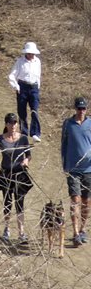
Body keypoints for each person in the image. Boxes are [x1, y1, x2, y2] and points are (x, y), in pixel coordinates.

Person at [0, 113, 32, 245]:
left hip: (20, 174)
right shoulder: (0, 139)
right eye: (10, 123)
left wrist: (26, 160)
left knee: (20, 203)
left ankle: (21, 233)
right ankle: (6, 229)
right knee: (7, 203)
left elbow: (29, 155)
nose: (13, 125)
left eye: (15, 122)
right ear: (6, 124)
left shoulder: (23, 139)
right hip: (7, 175)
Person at [61, 96, 91, 247]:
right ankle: (75, 232)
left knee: (87, 202)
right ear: (75, 109)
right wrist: (64, 164)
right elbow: (64, 145)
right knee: (76, 200)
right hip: (73, 168)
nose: (81, 111)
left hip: (89, 170)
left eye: (83, 108)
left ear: (87, 109)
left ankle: (83, 229)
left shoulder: (90, 124)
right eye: (79, 108)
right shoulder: (68, 124)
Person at [8, 42, 42, 142]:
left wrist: (37, 87)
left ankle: (35, 133)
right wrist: (16, 86)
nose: (31, 55)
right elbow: (12, 75)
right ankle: (24, 133)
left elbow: (38, 75)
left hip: (34, 88)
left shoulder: (37, 61)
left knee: (34, 110)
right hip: (22, 87)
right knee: (22, 112)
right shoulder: (20, 62)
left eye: (32, 53)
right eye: (29, 53)